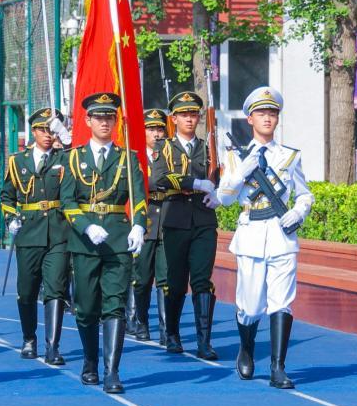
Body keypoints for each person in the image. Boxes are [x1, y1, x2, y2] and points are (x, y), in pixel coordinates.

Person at [216, 86, 313, 389]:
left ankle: (278, 367)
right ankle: (246, 349)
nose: (268, 118)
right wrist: (239, 173)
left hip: (282, 236)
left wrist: (298, 212)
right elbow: (225, 197)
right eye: (262, 113)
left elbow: (305, 194)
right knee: (250, 304)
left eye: (272, 113)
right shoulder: (235, 157)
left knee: (281, 302)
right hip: (252, 236)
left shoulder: (289, 157)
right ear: (250, 119)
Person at [60, 92, 148, 394]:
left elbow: (138, 197)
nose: (104, 122)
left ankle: (112, 371)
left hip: (117, 238)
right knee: (85, 307)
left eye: (109, 117)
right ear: (88, 121)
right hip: (85, 242)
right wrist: (85, 226)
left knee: (115, 304)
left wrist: (138, 225)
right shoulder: (73, 158)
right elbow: (67, 201)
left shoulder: (127, 158)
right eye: (99, 117)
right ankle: (89, 361)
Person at [151, 92, 222, 359]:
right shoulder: (164, 147)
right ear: (174, 118)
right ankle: (172, 334)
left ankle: (204, 341)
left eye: (193, 114)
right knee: (176, 281)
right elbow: (160, 178)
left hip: (203, 220)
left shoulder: (208, 147)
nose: (190, 119)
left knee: (202, 280)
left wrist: (218, 192)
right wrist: (194, 183)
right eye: (184, 114)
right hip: (176, 220)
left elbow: (220, 177)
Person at [0, 107, 72, 364]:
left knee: (56, 289)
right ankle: (29, 338)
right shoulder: (17, 161)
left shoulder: (64, 159)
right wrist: (10, 218)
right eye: (44, 129)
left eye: (52, 130)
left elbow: (80, 161)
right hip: (29, 231)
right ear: (33, 131)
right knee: (27, 290)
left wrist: (69, 139)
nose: (48, 135)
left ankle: (53, 346)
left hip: (58, 232)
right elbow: (7, 196)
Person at [131, 109, 170, 343]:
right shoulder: (134, 158)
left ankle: (166, 329)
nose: (156, 134)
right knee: (142, 277)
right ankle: (142, 322)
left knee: (165, 278)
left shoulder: (171, 156)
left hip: (166, 220)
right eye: (151, 129)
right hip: (143, 222)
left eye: (159, 129)